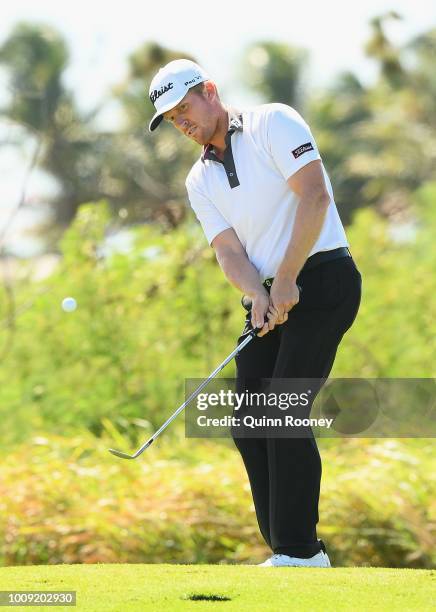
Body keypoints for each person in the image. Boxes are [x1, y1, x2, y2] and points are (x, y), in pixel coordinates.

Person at [148, 59, 362, 567]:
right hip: (270, 294)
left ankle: (300, 552)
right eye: (173, 119)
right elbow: (228, 251)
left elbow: (315, 197)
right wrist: (258, 294)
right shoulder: (199, 179)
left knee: (283, 410)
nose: (183, 123)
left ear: (211, 91)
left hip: (325, 279)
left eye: (185, 109)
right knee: (249, 419)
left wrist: (286, 279)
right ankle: (287, 553)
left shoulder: (273, 121)